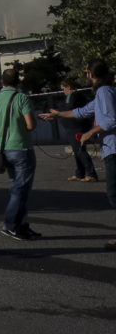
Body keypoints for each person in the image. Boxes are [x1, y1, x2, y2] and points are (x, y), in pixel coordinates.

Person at [40, 59, 116, 250]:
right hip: (110, 148)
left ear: (91, 74)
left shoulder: (105, 92)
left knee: (114, 194)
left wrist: (90, 133)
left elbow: (111, 120)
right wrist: (58, 114)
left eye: (87, 73)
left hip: (113, 148)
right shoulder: (102, 94)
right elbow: (81, 112)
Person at [0, 68, 39, 241]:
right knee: (21, 191)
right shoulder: (22, 98)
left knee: (17, 188)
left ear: (2, 82)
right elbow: (31, 125)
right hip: (22, 149)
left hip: (5, 150)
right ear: (18, 82)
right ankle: (9, 225)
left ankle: (22, 226)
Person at [58, 77, 98, 182]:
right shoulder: (77, 96)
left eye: (63, 89)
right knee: (77, 150)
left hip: (76, 127)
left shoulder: (73, 95)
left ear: (68, 87)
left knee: (80, 150)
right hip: (73, 127)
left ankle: (91, 173)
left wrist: (58, 112)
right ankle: (80, 173)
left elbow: (67, 108)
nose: (63, 92)